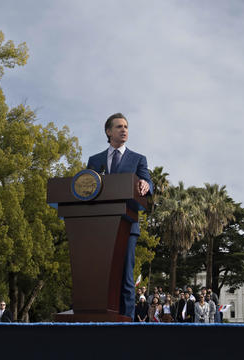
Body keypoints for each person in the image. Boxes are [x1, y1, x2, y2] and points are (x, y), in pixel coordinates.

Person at [87, 113, 153, 319]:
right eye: (119, 127)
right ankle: (101, 317)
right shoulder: (95, 160)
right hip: (101, 227)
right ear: (108, 132)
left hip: (128, 225)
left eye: (126, 127)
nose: (124, 130)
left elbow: (149, 183)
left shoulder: (138, 159)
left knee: (126, 276)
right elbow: (85, 190)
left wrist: (146, 184)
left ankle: (127, 323)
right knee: (100, 276)